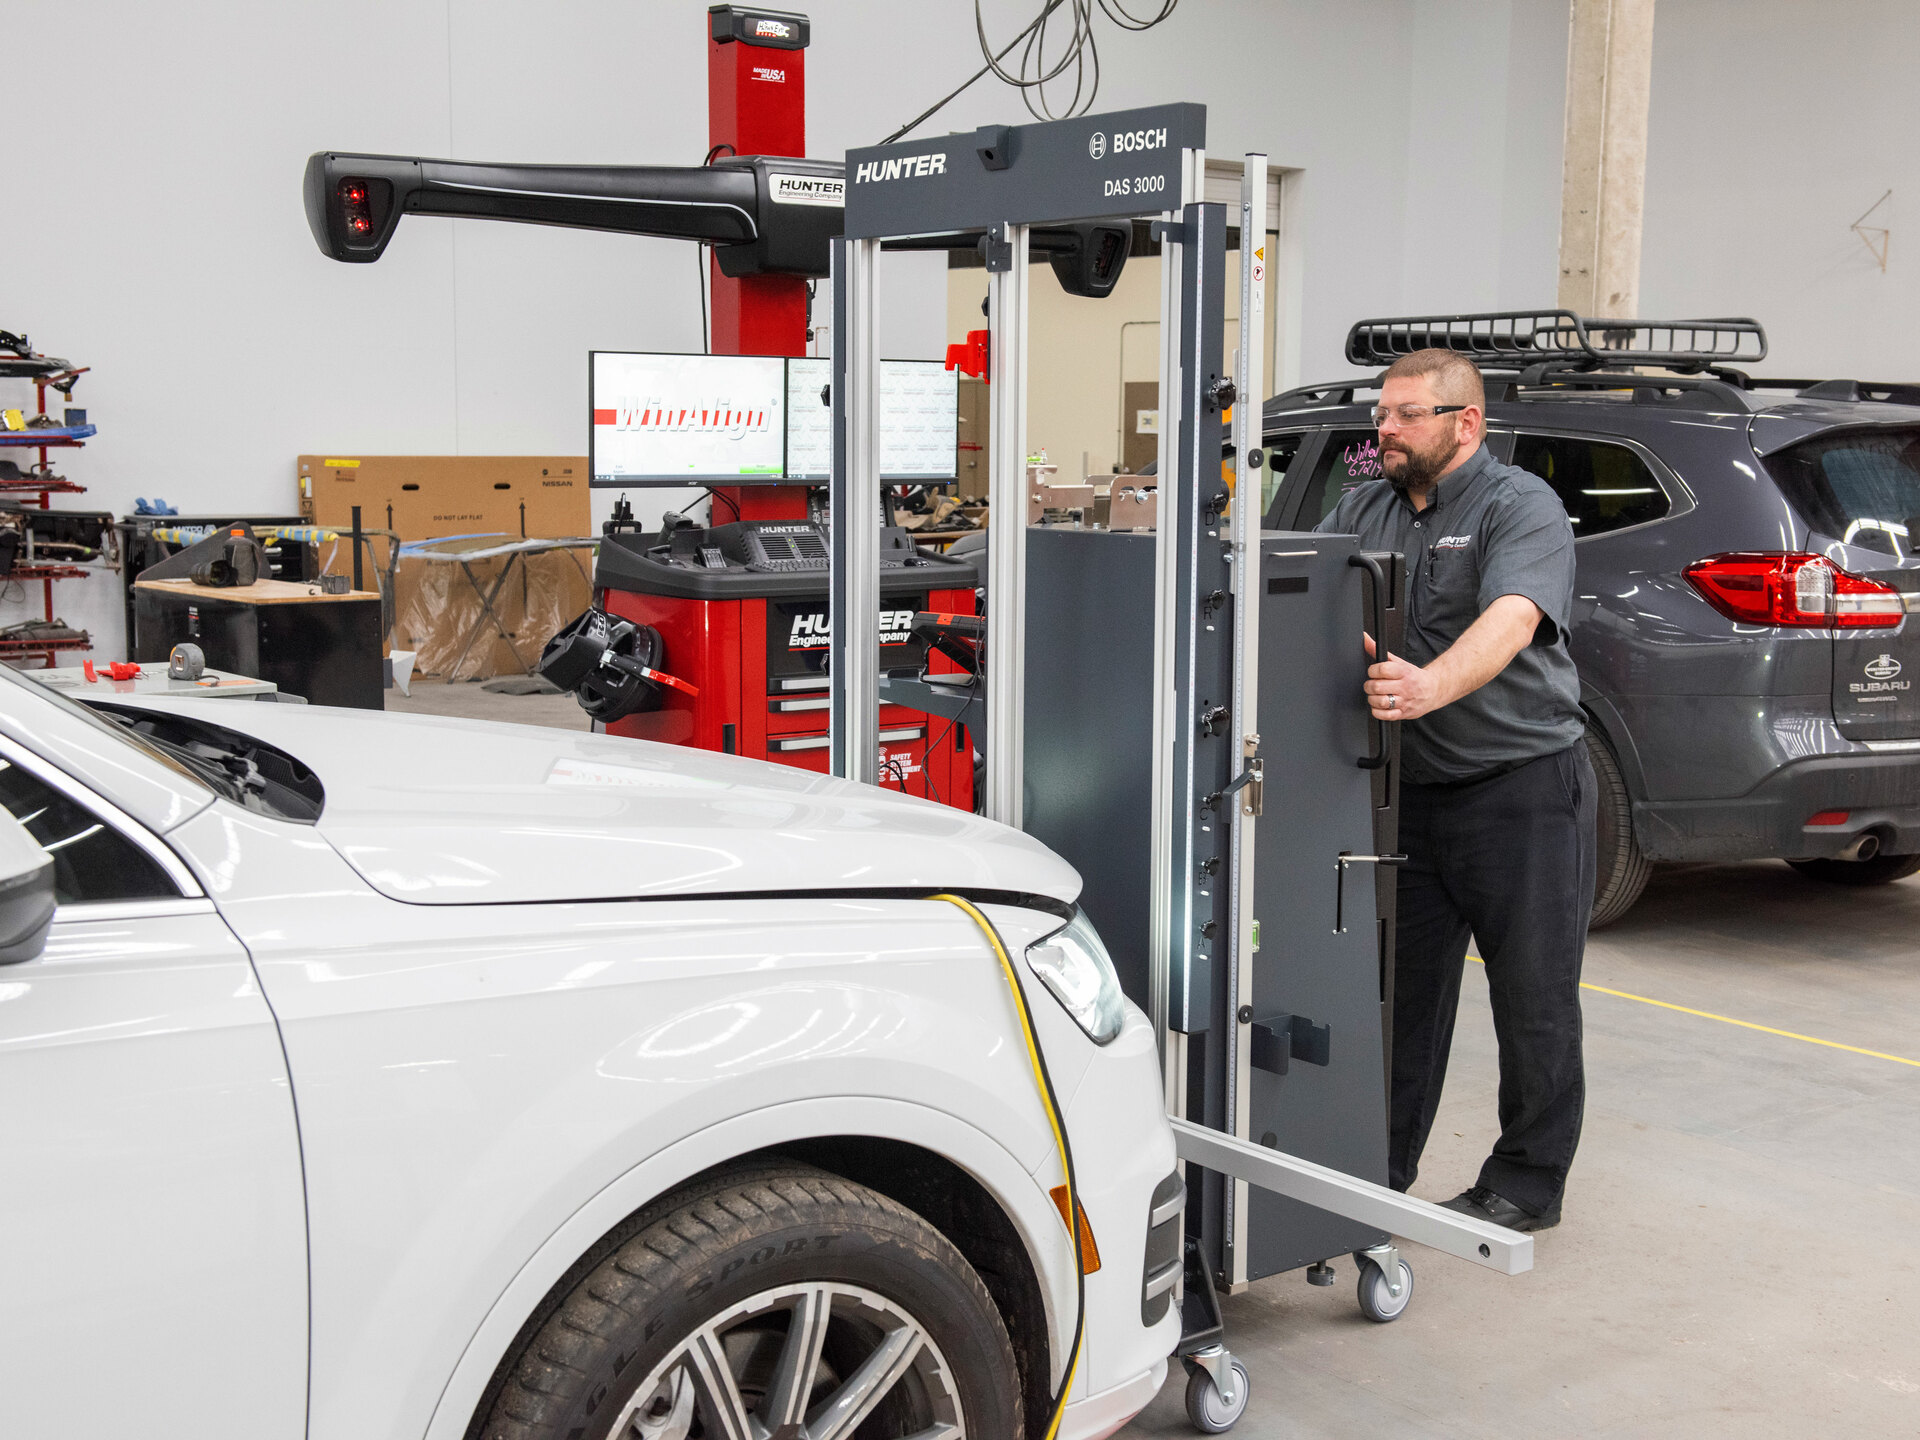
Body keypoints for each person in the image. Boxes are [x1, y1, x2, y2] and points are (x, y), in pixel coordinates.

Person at [1314, 347, 1595, 1232]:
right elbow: (1312, 596)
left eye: (1407, 414)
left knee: (1533, 995)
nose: (1385, 429)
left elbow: (1513, 617)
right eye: (1382, 414)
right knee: (1402, 997)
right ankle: (1380, 1170)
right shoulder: (1363, 506)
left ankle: (1527, 1182)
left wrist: (1430, 684)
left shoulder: (1520, 506)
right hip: (1411, 796)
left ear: (1465, 423)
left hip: (1522, 791)